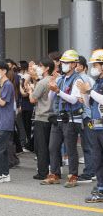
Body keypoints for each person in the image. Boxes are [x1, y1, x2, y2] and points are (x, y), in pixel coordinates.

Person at [41, 50, 83, 188]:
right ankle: (54, 174)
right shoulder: (60, 78)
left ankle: (73, 176)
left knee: (71, 149)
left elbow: (73, 100)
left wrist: (58, 91)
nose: (63, 65)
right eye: (63, 62)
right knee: (53, 147)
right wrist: (53, 89)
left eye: (66, 63)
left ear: (73, 64)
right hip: (58, 119)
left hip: (71, 119)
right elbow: (50, 98)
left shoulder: (77, 79)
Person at [77, 49, 103, 203]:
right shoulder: (98, 81)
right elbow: (90, 103)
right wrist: (85, 94)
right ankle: (100, 188)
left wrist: (90, 91)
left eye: (96, 64)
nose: (94, 67)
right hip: (96, 126)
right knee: (98, 159)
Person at [26, 58, 54, 180]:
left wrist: (30, 92)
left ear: (47, 68)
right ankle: (54, 170)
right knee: (50, 146)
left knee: (41, 146)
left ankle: (42, 172)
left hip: (41, 117)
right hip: (51, 117)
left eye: (41, 66)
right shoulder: (53, 80)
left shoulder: (42, 82)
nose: (38, 67)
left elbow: (33, 99)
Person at [75, 56, 95, 183]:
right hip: (87, 116)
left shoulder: (83, 79)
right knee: (89, 144)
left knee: (88, 145)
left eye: (75, 64)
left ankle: (89, 173)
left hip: (87, 117)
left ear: (82, 67)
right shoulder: (86, 79)